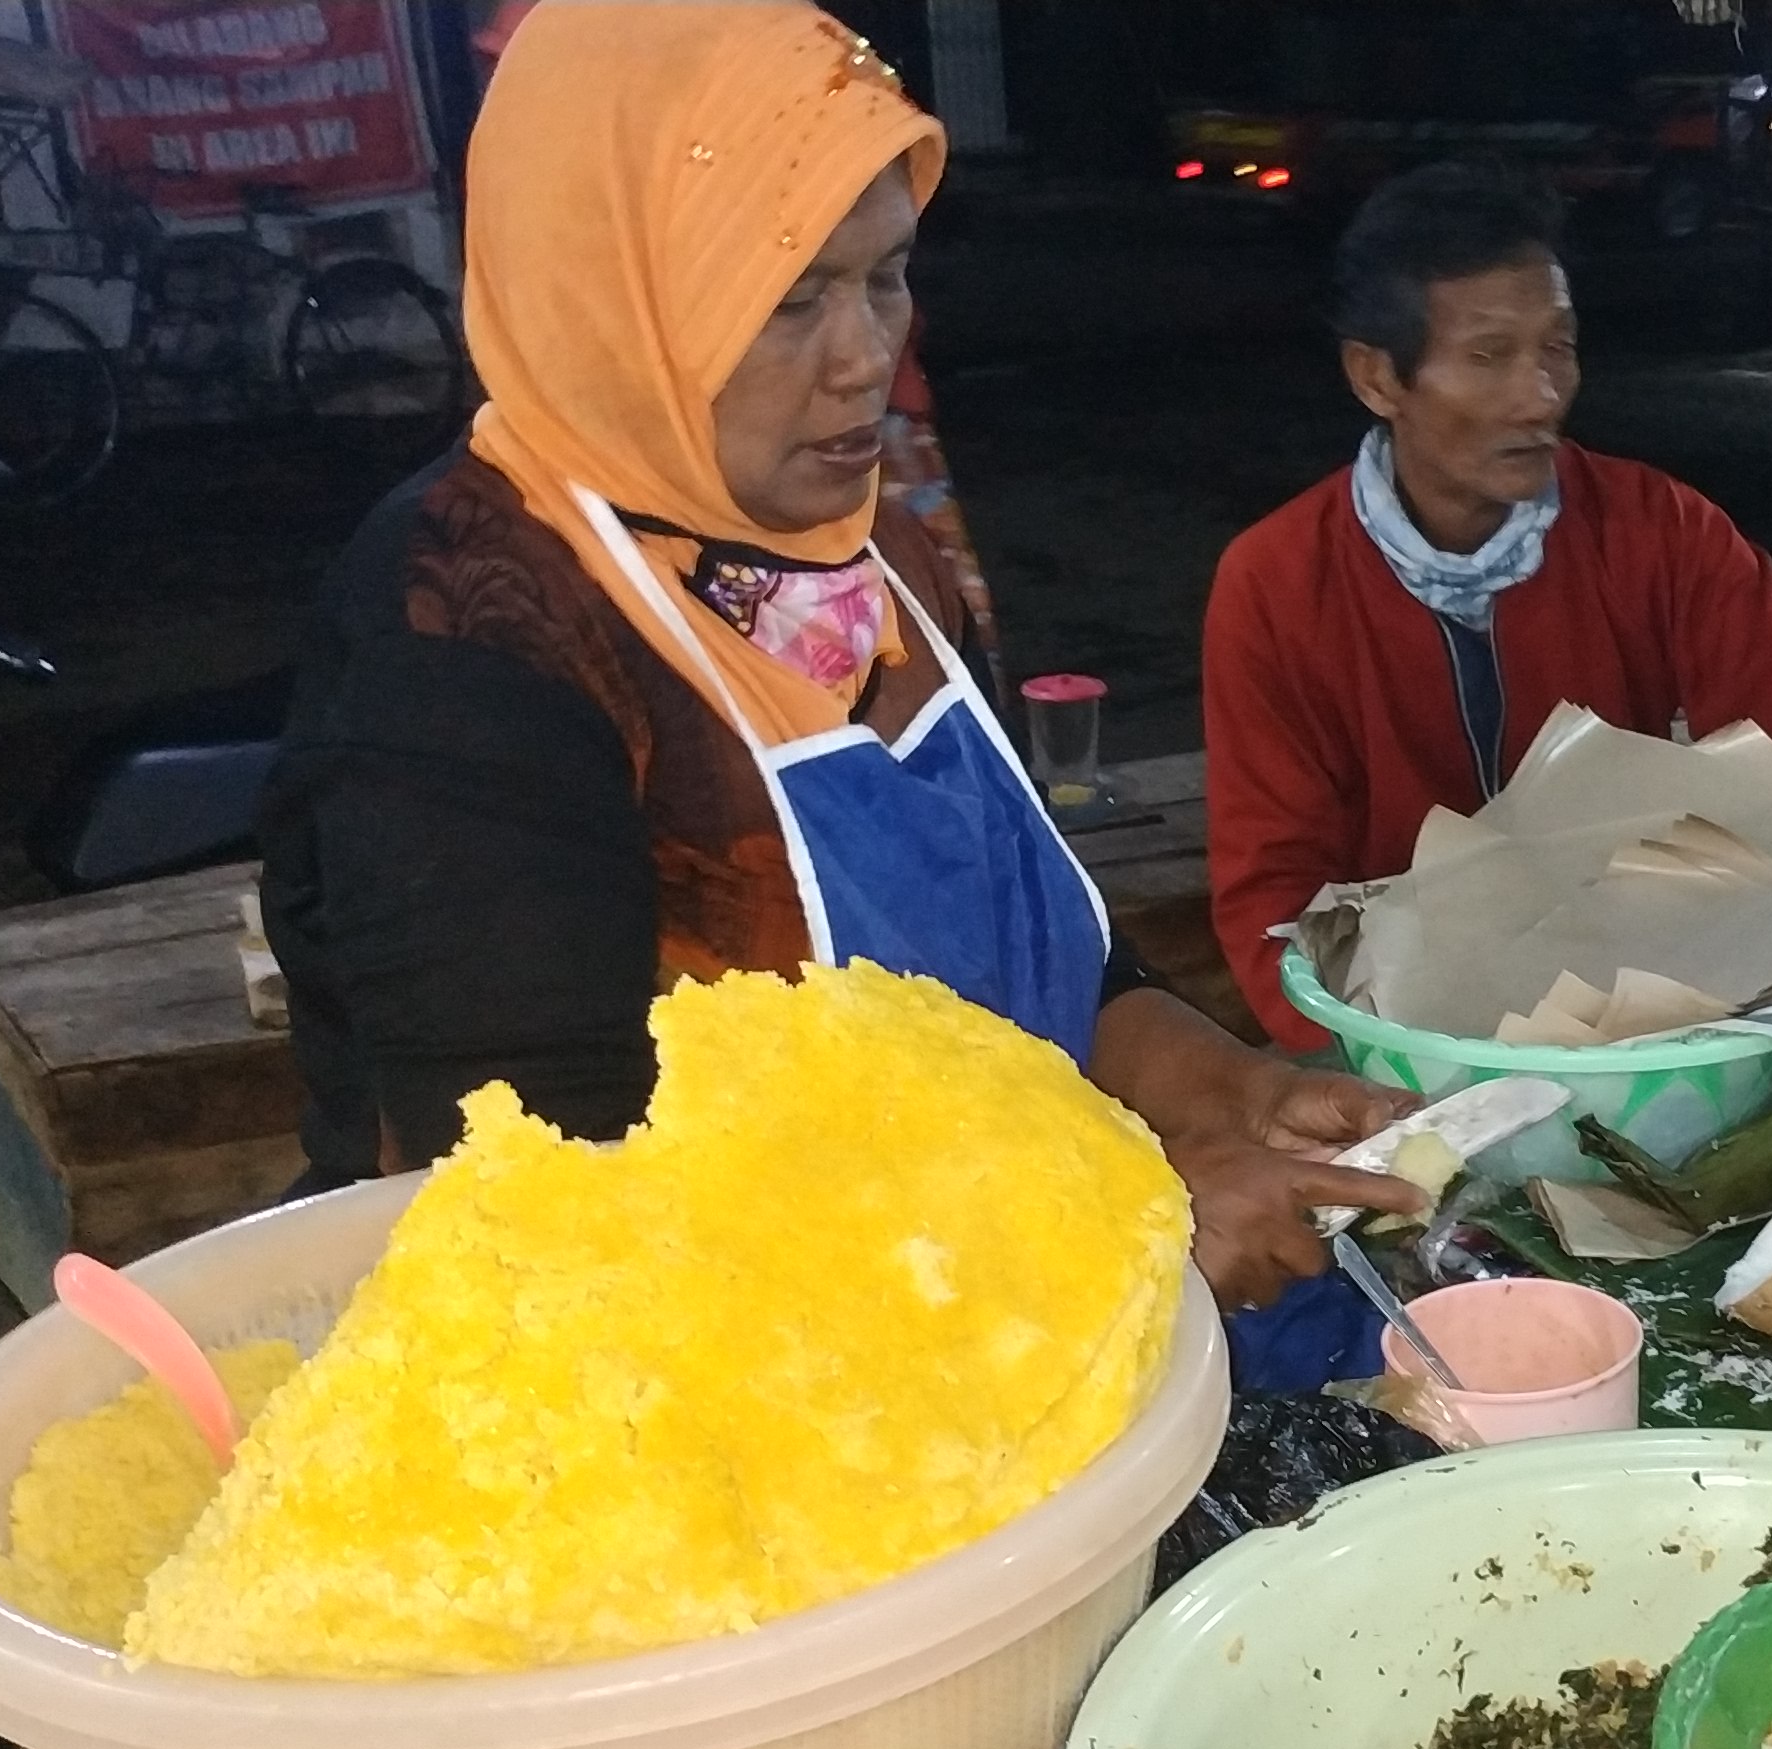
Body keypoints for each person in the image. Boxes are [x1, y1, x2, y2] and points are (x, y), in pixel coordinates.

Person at [257, 3, 1426, 1343]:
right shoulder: (470, 637)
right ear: (616, 290)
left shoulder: (882, 557)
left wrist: (1224, 1094)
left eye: (886, 274)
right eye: (789, 299)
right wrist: (1127, 1223)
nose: (868, 354)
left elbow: (1051, 977)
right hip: (690, 1417)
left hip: (990, 1317)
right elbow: (556, 1220)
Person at [1199, 163, 1772, 1049]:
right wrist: (1385, 1064)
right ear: (1377, 378)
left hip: (1635, 1007)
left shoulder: (1652, 526)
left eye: (1557, 348)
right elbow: (1273, 897)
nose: (1540, 395)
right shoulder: (1275, 584)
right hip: (1399, 1028)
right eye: (1490, 355)